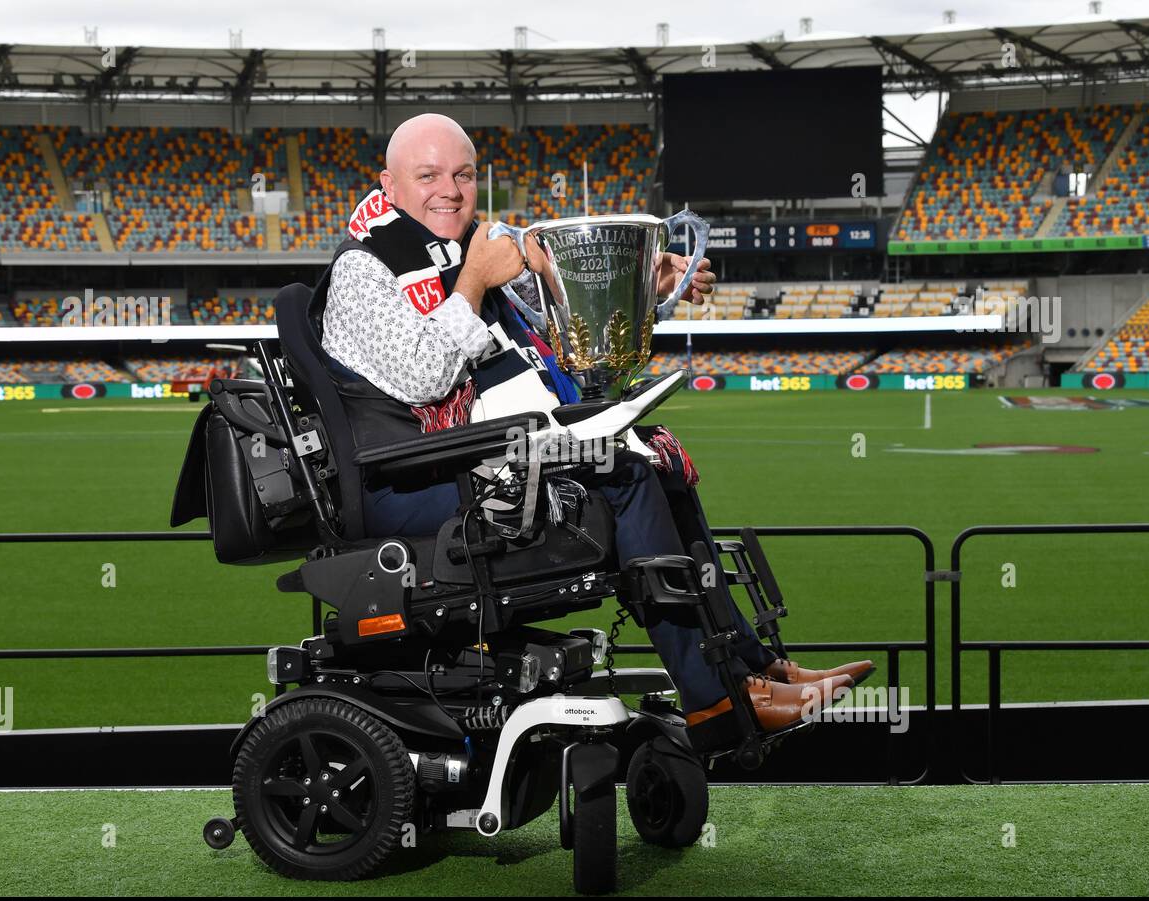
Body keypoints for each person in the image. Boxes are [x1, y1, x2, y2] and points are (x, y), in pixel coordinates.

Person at [314, 113, 872, 738]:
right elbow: (424, 378)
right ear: (389, 185)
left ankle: (754, 668)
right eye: (428, 175)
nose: (450, 189)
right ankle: (715, 701)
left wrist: (644, 294)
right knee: (626, 477)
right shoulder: (363, 271)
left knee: (658, 472)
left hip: (472, 460)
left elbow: (561, 335)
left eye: (463, 174)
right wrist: (474, 281)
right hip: (411, 483)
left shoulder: (465, 251)